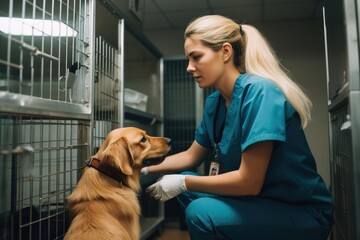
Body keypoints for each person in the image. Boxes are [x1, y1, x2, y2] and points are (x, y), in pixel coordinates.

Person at [142, 15, 334, 240]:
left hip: (299, 211)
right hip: (258, 202)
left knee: (199, 212)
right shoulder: (214, 102)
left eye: (196, 57)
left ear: (225, 52)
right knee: (187, 184)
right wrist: (140, 168)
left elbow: (249, 182)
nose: (189, 68)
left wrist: (183, 182)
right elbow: (191, 156)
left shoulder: (260, 93)